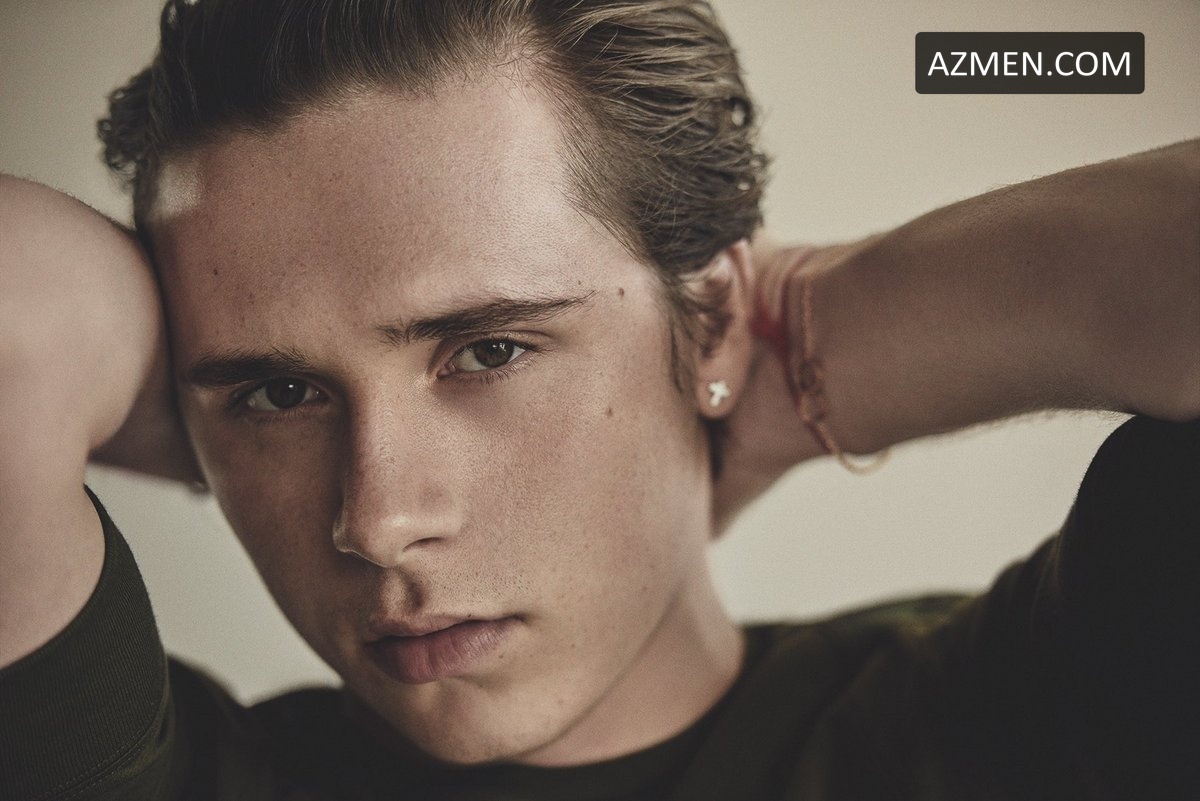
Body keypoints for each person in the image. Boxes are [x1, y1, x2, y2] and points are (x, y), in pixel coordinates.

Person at [0, 1, 1196, 799]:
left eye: (488, 350)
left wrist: (804, 338)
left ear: (712, 317)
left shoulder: (1030, 717)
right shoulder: (152, 778)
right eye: (279, 388)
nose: (379, 522)